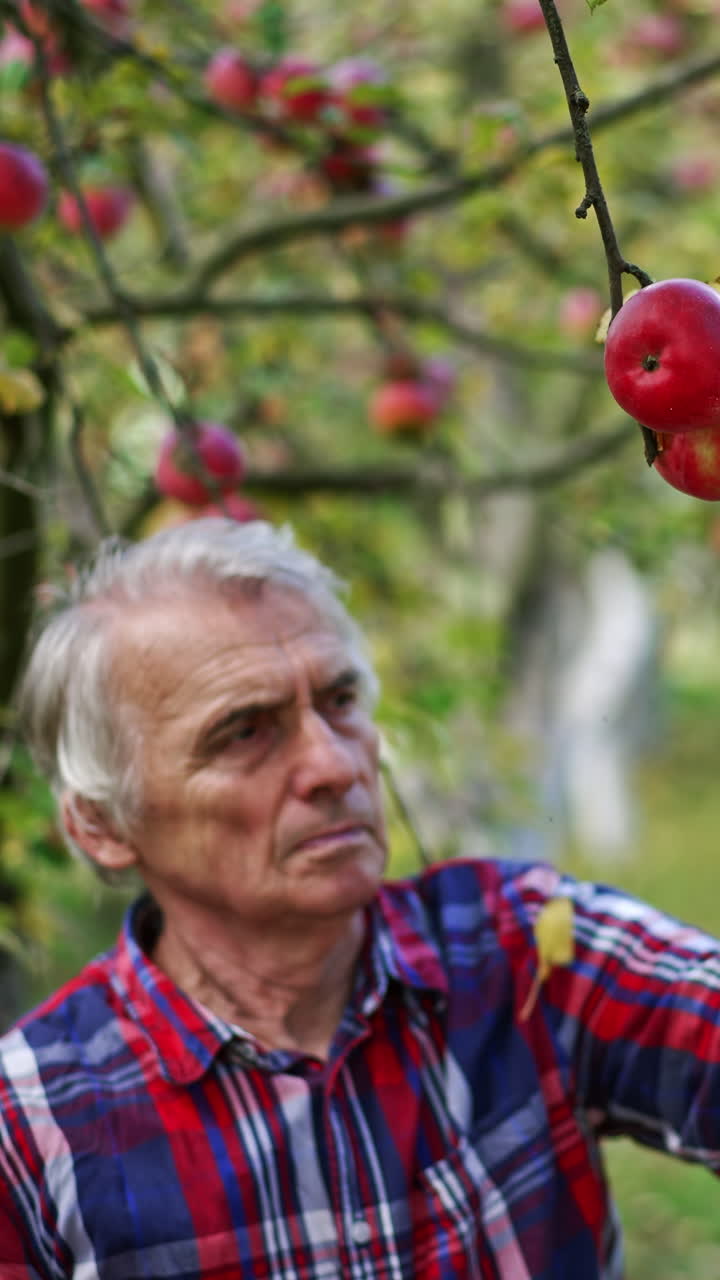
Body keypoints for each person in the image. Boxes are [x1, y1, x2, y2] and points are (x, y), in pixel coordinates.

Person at [1, 516, 720, 1280]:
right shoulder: (31, 1134)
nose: (334, 764)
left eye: (340, 700)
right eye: (245, 732)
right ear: (104, 825)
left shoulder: (523, 943)